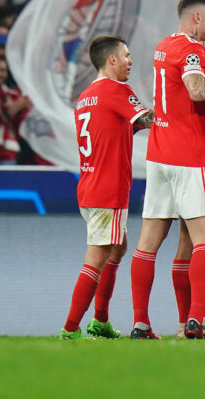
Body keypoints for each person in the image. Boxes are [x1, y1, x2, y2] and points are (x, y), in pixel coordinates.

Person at [129, 0, 205, 340]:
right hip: (190, 156)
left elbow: (195, 48)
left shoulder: (165, 46)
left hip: (159, 156)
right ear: (197, 17)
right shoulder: (191, 52)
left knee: (148, 244)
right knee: (204, 240)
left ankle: (141, 323)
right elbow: (197, 90)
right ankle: (197, 320)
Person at [58, 35, 155, 340]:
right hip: (107, 190)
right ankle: (70, 329)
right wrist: (176, 105)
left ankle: (100, 320)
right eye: (126, 55)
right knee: (97, 257)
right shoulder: (117, 90)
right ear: (112, 59)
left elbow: (117, 128)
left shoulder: (86, 96)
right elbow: (150, 119)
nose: (130, 61)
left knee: (117, 247)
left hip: (90, 185)